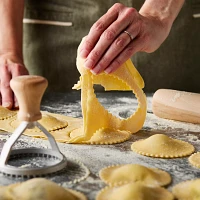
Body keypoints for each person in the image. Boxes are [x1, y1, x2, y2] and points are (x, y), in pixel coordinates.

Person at [0, 0, 185, 109]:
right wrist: (8, 50)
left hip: (176, 28)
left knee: (181, 110)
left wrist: (159, 13)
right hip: (56, 26)